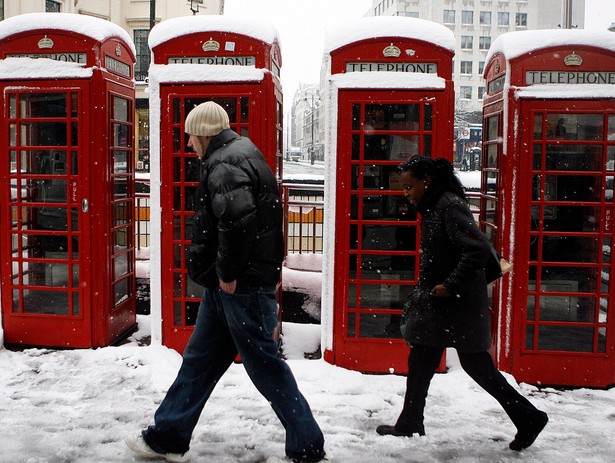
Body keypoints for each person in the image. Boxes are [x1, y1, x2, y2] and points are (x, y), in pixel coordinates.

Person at [125, 101, 326, 463]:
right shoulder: (237, 153)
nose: (187, 142)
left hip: (240, 285)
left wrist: (228, 273)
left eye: (189, 135)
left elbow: (236, 220)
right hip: (227, 286)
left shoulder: (225, 163)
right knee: (199, 361)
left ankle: (308, 445)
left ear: (204, 133)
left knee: (266, 367)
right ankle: (168, 435)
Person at [376, 155, 548, 452]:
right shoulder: (434, 205)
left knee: (479, 368)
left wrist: (450, 285)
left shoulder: (448, 206)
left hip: (457, 305)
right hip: (440, 306)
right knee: (421, 361)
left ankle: (529, 416)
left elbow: (477, 250)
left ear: (425, 181)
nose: (405, 194)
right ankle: (410, 422)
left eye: (408, 187)